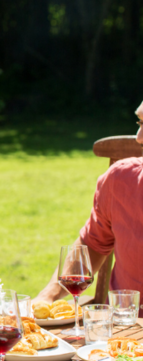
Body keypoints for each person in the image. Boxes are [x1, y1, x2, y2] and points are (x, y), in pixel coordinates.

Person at [34, 100, 143, 310]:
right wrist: (47, 296)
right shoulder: (120, 180)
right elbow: (93, 245)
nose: (139, 138)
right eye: (140, 122)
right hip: (125, 326)